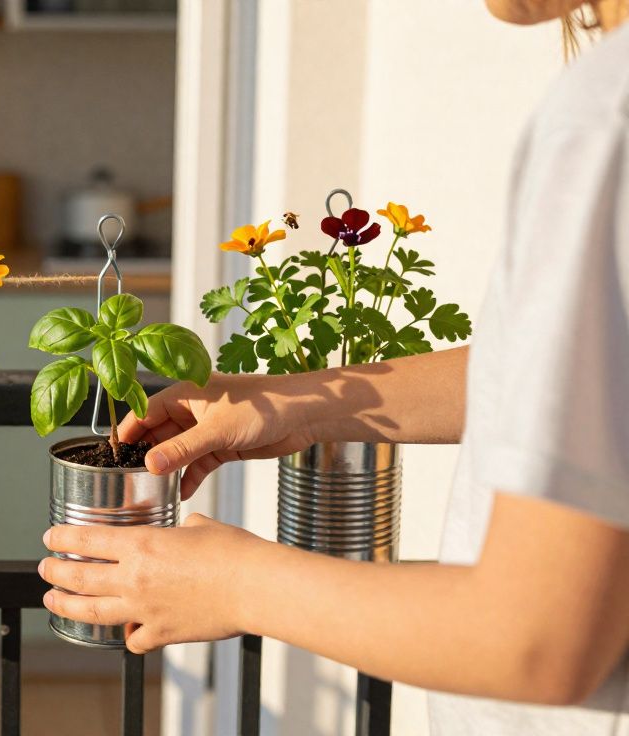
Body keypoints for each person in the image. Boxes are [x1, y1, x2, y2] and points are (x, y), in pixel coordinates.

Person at [36, 1, 629, 733]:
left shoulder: (606, 117)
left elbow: (540, 639)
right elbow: (576, 391)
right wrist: (302, 401)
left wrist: (236, 584)